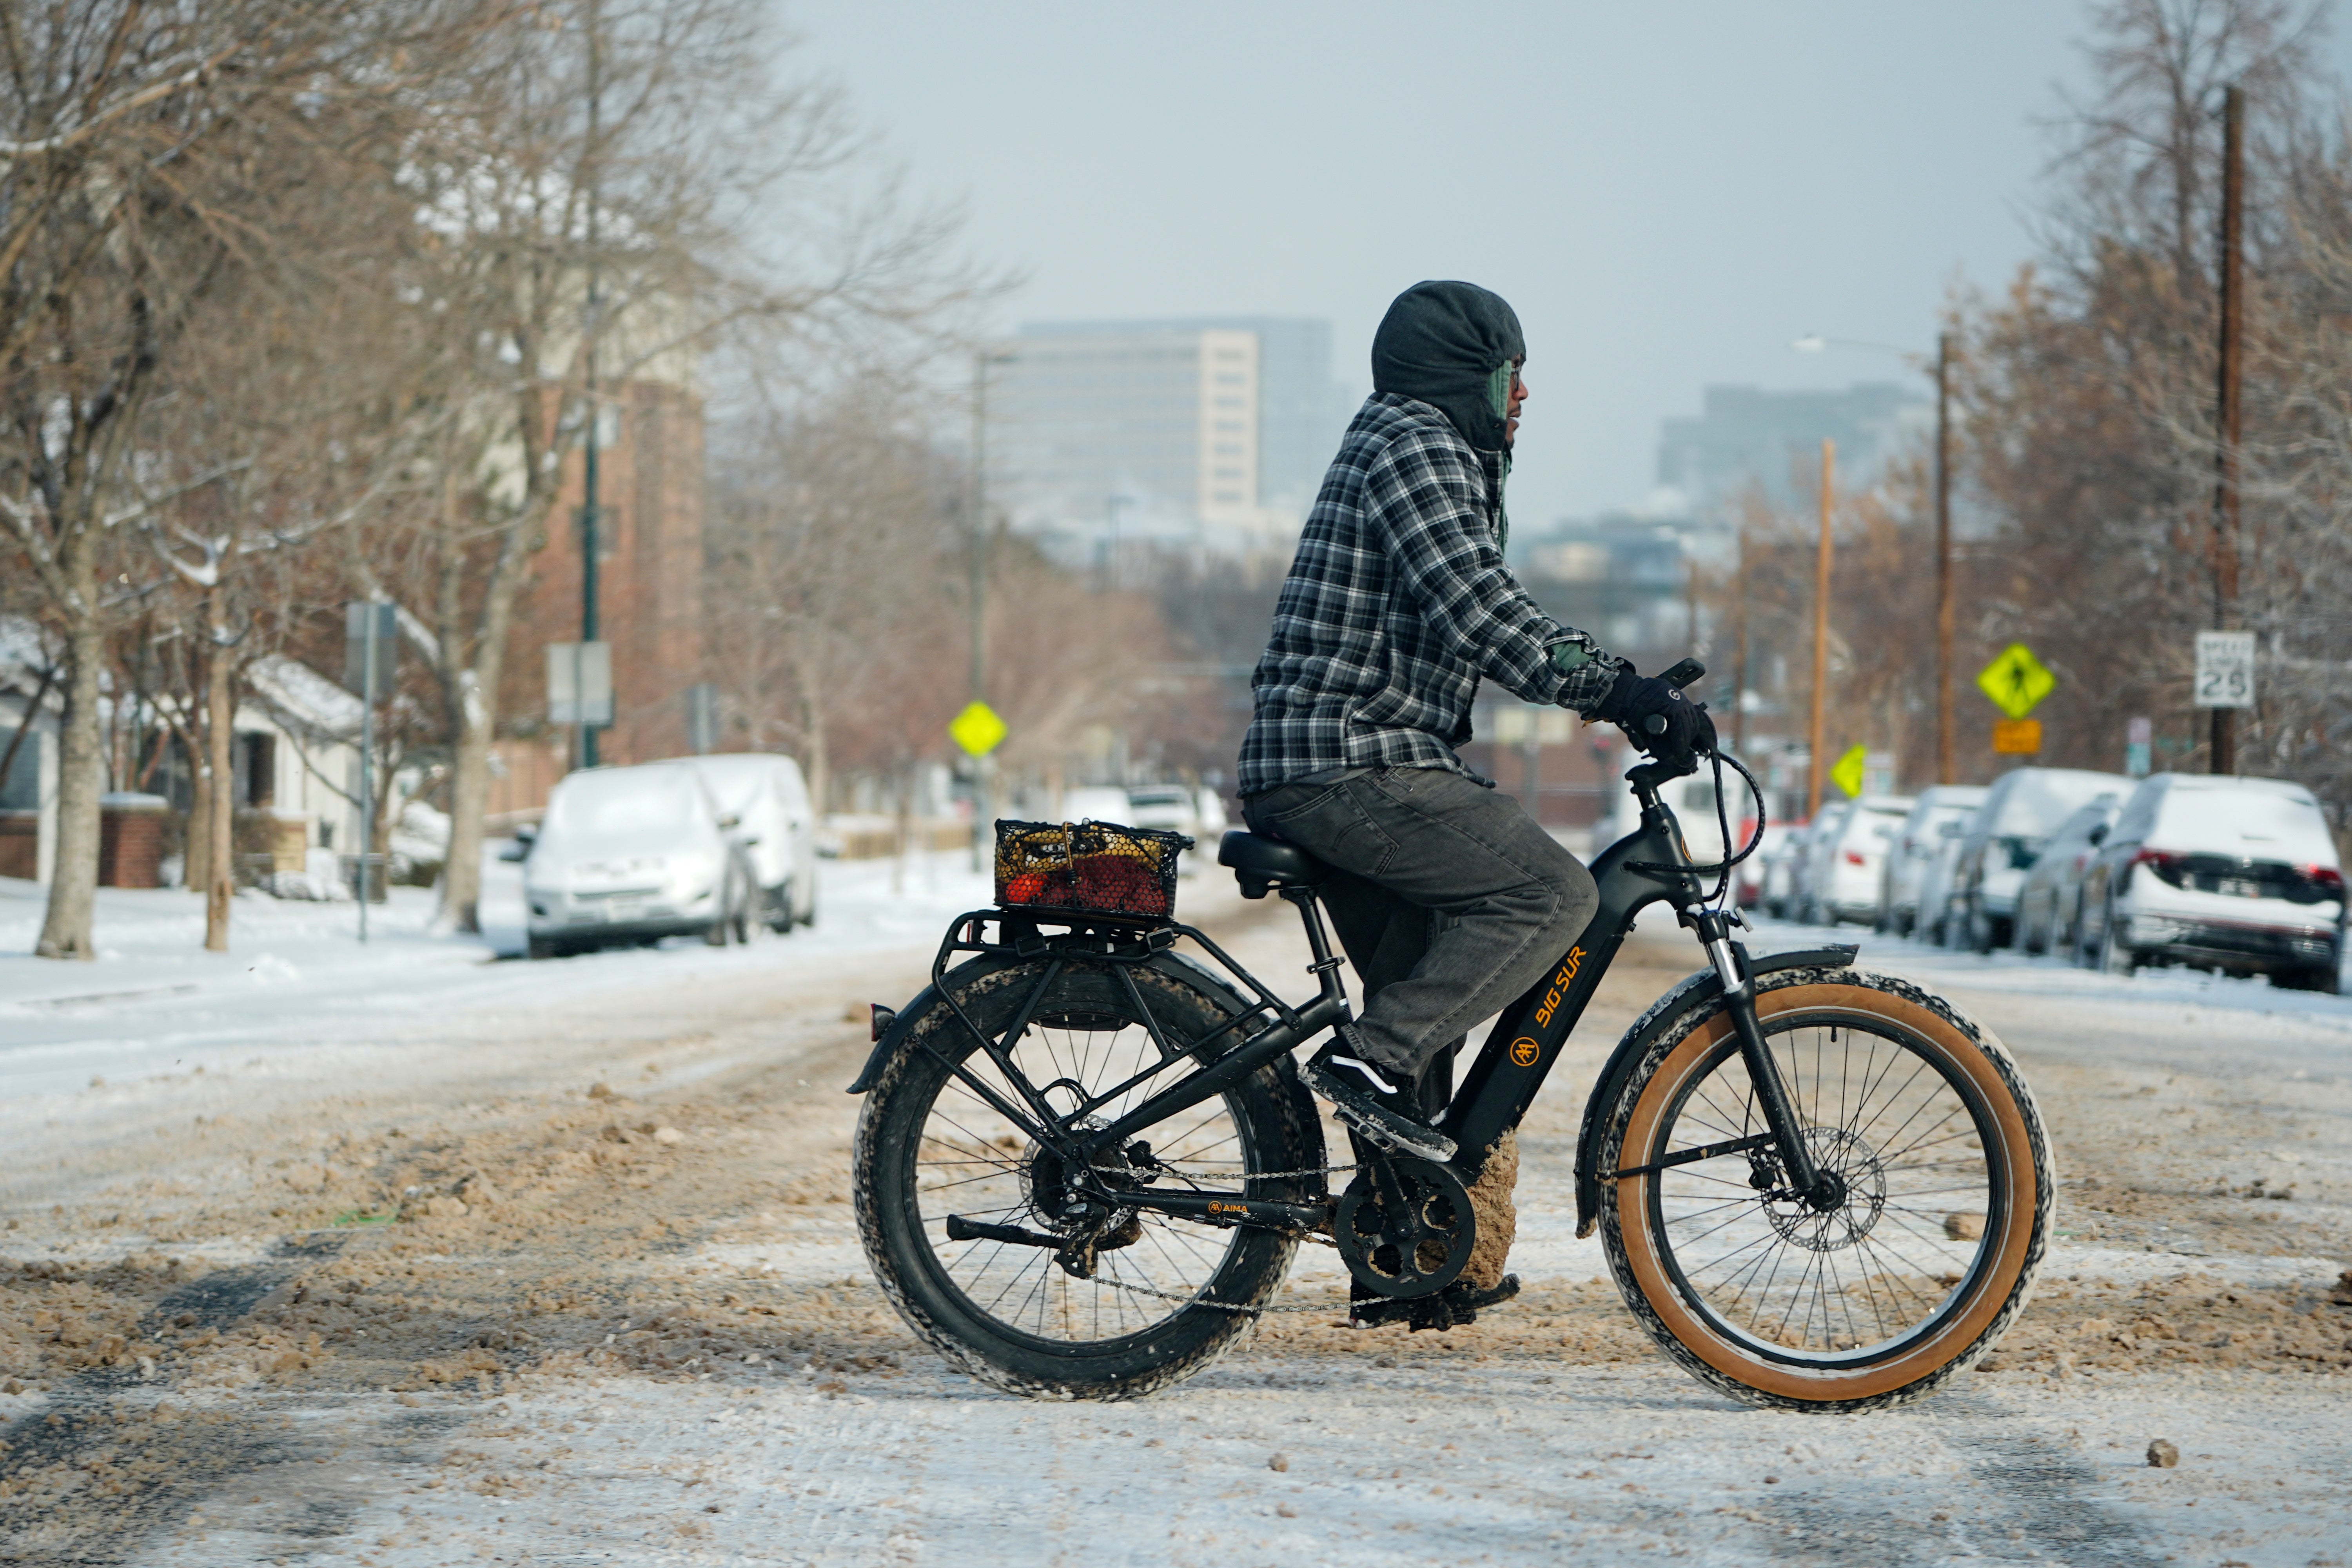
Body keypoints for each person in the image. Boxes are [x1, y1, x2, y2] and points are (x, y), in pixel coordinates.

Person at [1237, 279, 1711, 1170]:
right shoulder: (1416, 443)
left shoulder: (1417, 443)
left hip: (1349, 757)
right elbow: (1480, 611)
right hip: (1347, 760)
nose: (1524, 394)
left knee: (1423, 999)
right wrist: (1622, 691)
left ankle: (1409, 1252)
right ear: (1465, 376)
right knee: (1551, 895)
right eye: (1511, 374)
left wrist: (1622, 688)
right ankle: (1364, 1061)